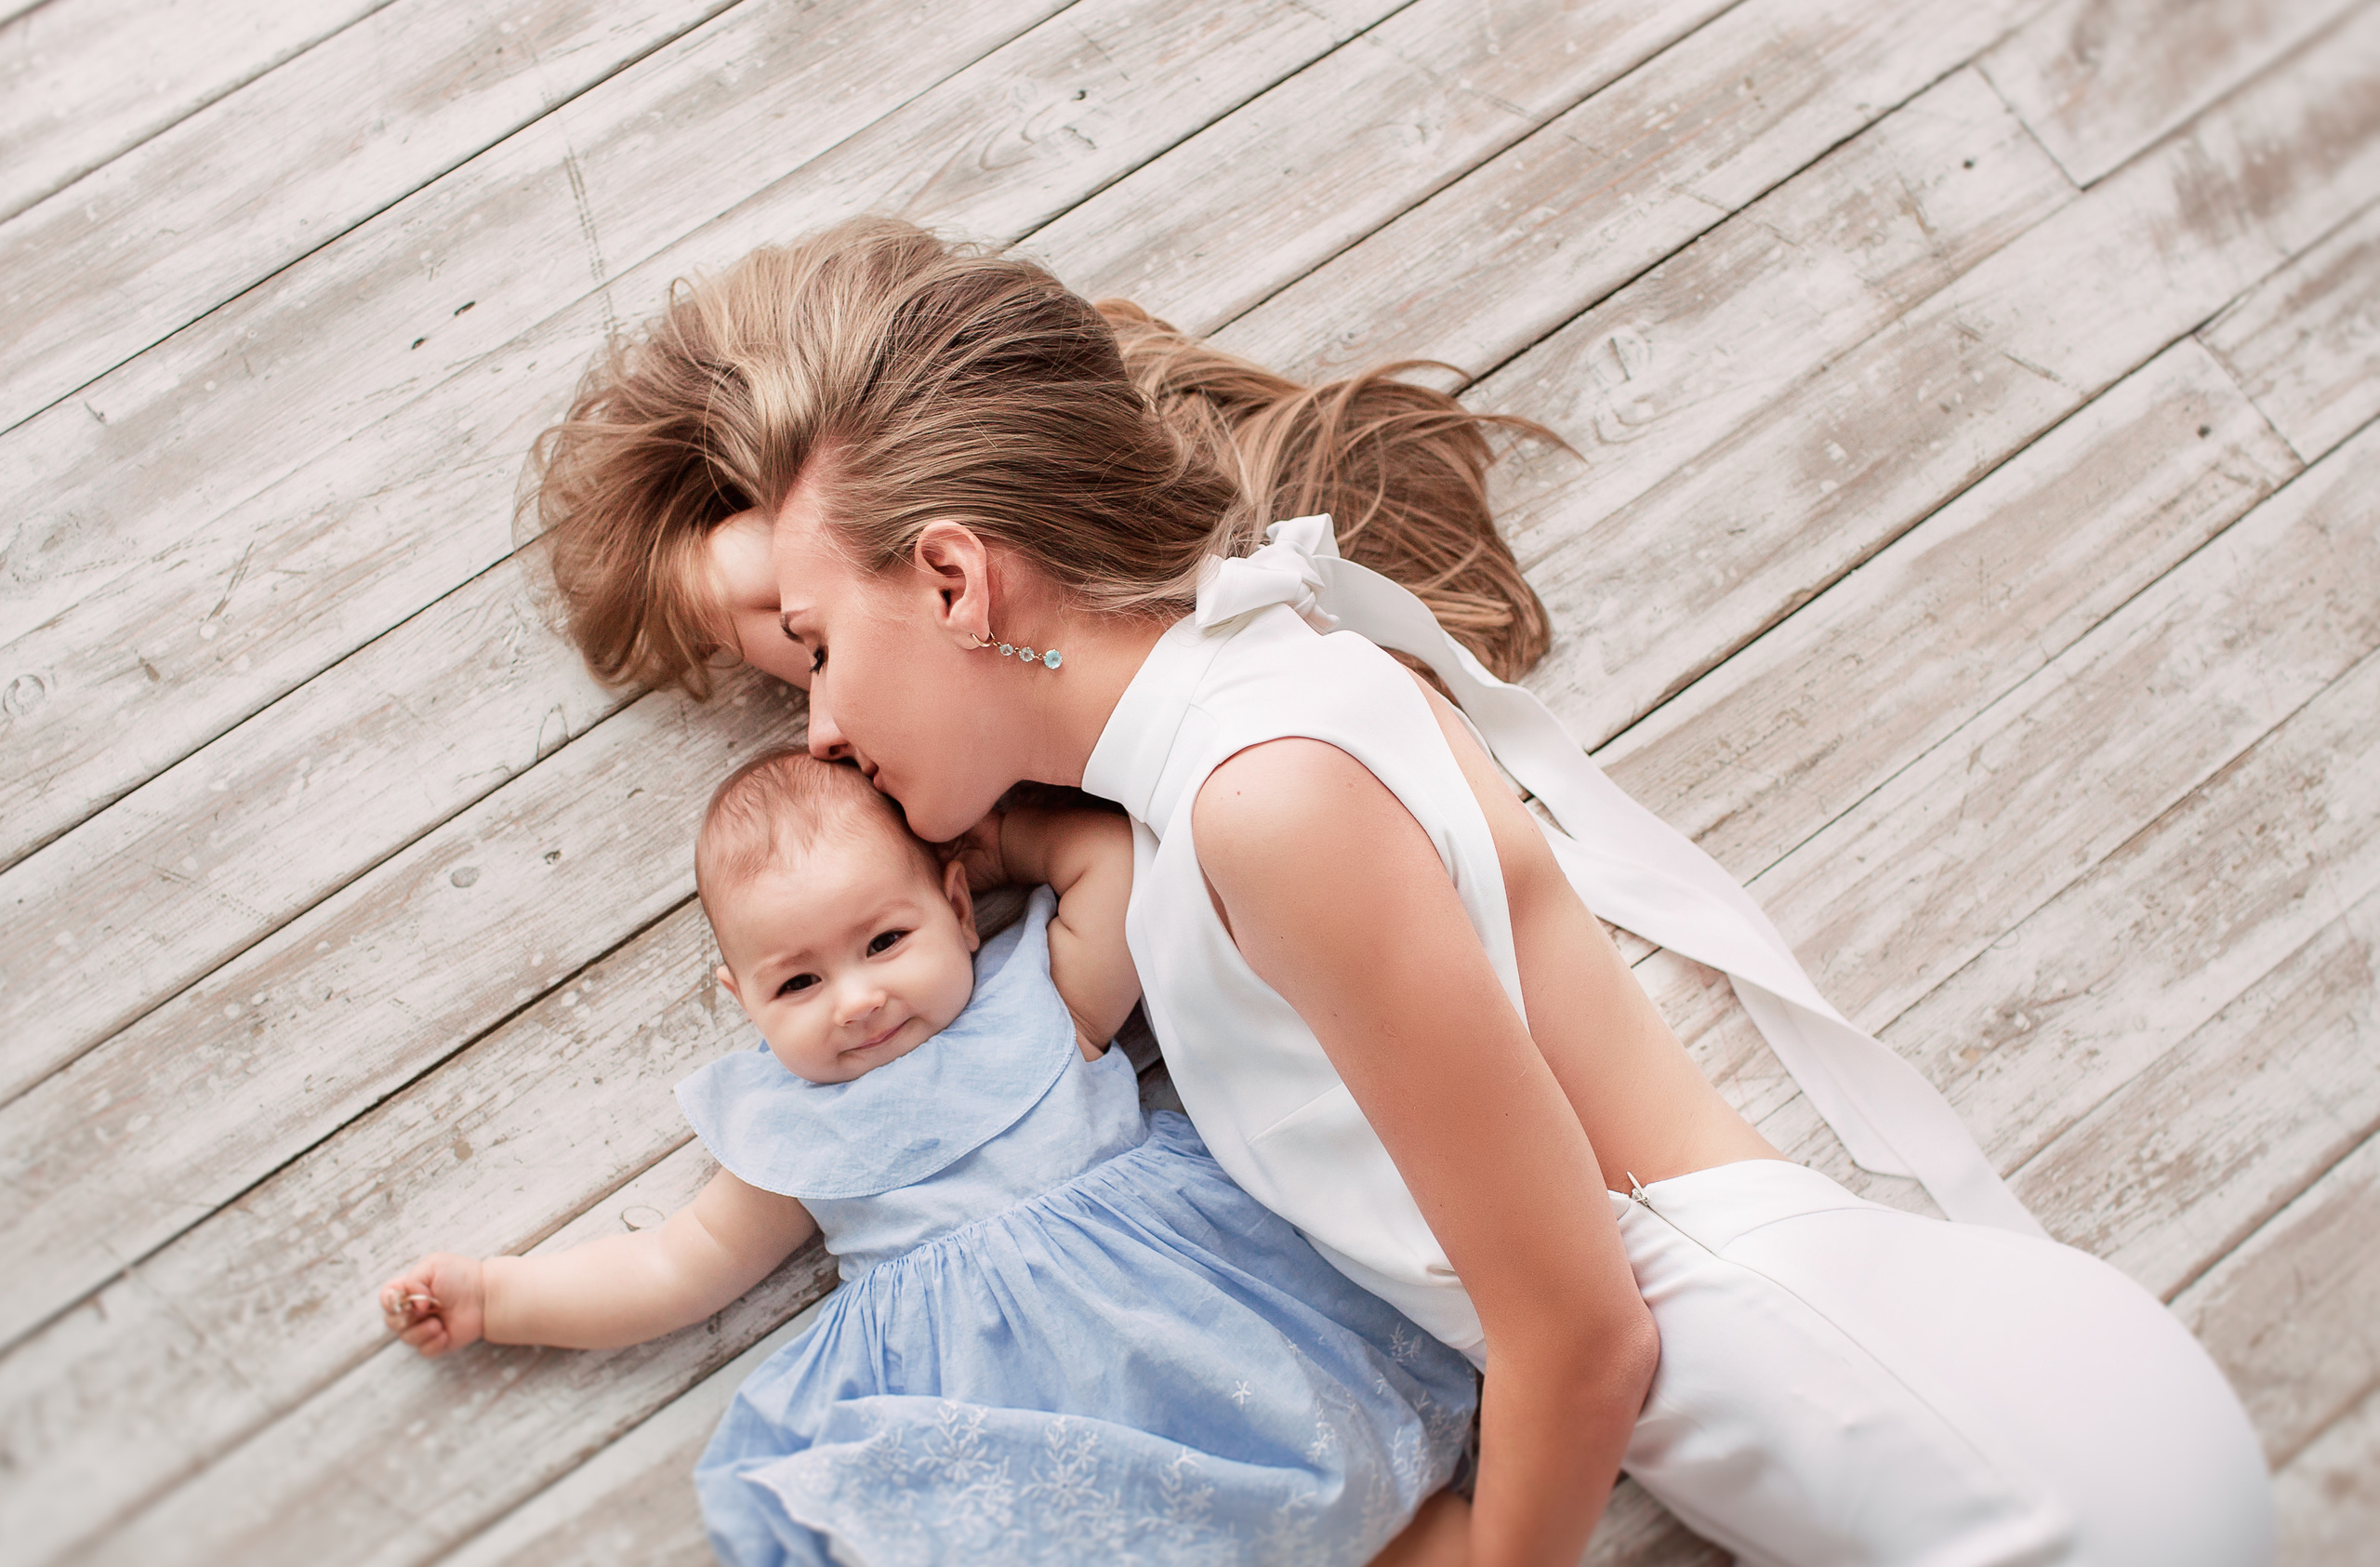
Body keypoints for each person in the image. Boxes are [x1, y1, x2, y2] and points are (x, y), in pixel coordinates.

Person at [525, 217, 2276, 1566]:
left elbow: (1581, 1336)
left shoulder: (1265, 800)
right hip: (1930, 1409)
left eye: (818, 653)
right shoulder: (1245, 706)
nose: (814, 723)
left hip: (1971, 1464)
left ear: (965, 577)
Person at [377, 749, 1480, 1566]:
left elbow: (1115, 862)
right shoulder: (795, 1136)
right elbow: (672, 1266)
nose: (856, 1000)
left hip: (1194, 1326)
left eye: (884, 940)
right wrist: (496, 1293)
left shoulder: (1040, 1000)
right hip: (1008, 1423)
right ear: (744, 1004)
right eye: (796, 983)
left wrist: (1004, 839)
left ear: (957, 906)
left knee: (1364, 1493)